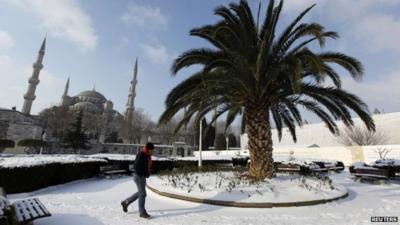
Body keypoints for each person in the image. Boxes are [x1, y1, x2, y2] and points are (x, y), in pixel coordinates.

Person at [121, 142, 154, 219]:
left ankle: (126, 202)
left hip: (141, 176)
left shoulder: (146, 155)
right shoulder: (142, 154)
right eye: (152, 150)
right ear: (148, 149)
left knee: (140, 193)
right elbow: (136, 166)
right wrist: (144, 173)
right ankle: (142, 212)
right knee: (143, 194)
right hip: (139, 176)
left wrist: (147, 172)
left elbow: (145, 165)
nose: (152, 151)